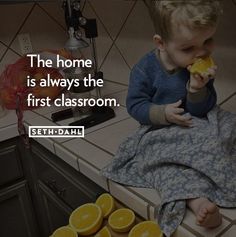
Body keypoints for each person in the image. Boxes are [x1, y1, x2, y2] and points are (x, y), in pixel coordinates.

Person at [126, 0, 222, 228]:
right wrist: (162, 113)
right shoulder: (145, 69)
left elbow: (203, 109)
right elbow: (135, 105)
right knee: (165, 164)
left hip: (194, 125)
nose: (201, 53)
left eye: (207, 41)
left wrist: (196, 90)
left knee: (223, 135)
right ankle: (198, 202)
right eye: (188, 48)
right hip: (160, 131)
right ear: (161, 43)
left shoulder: (201, 66)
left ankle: (220, 183)